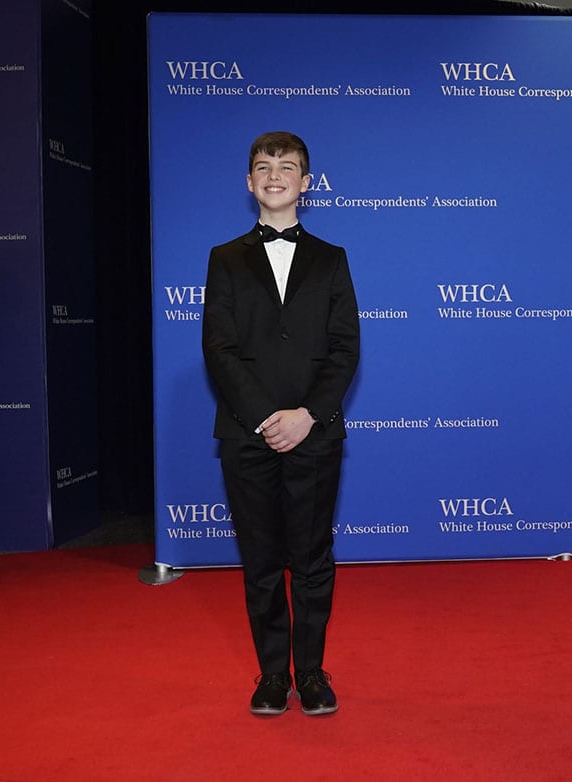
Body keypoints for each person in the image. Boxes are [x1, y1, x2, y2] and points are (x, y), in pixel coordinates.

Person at [202, 131, 361, 714]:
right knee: (264, 561)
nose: (275, 175)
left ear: (306, 183)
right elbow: (218, 348)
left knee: (313, 558)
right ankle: (272, 677)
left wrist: (307, 416)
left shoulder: (333, 259)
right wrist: (271, 418)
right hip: (247, 435)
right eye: (264, 166)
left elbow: (345, 349)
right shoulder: (223, 259)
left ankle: (312, 674)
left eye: (287, 166)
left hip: (316, 434)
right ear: (249, 182)